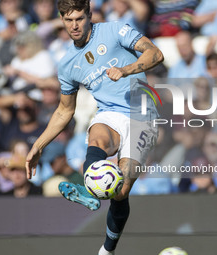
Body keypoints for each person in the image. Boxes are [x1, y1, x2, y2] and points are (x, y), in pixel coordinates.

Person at [25, 0, 164, 254]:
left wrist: (126, 69)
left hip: (143, 115)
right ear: (62, 19)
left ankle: (107, 250)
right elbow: (65, 110)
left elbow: (155, 53)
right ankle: (91, 189)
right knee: (96, 137)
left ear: (89, 15)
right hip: (109, 113)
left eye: (79, 18)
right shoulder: (67, 64)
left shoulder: (115, 30)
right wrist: (38, 145)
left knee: (121, 191)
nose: (74, 25)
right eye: (69, 20)